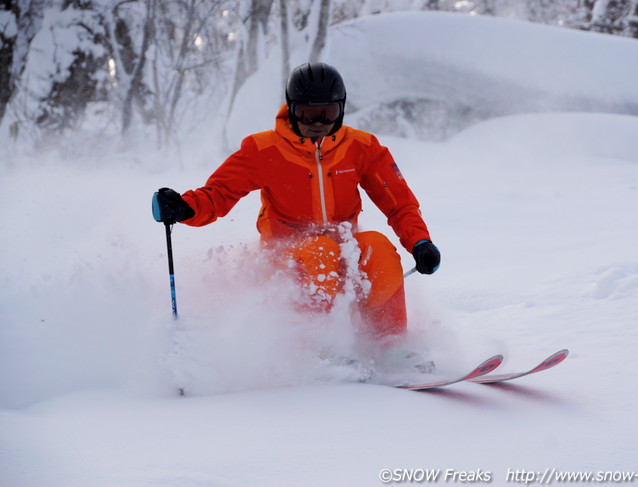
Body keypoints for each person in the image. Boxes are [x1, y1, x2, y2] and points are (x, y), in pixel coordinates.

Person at [153, 62, 440, 343]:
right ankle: (320, 350)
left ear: (341, 110)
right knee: (319, 251)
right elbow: (218, 194)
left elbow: (399, 204)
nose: (317, 124)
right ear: (291, 109)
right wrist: (185, 207)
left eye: (327, 114)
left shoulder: (362, 148)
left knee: (377, 247)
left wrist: (420, 243)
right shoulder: (263, 149)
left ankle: (390, 347)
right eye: (307, 114)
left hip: (343, 249)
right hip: (285, 259)